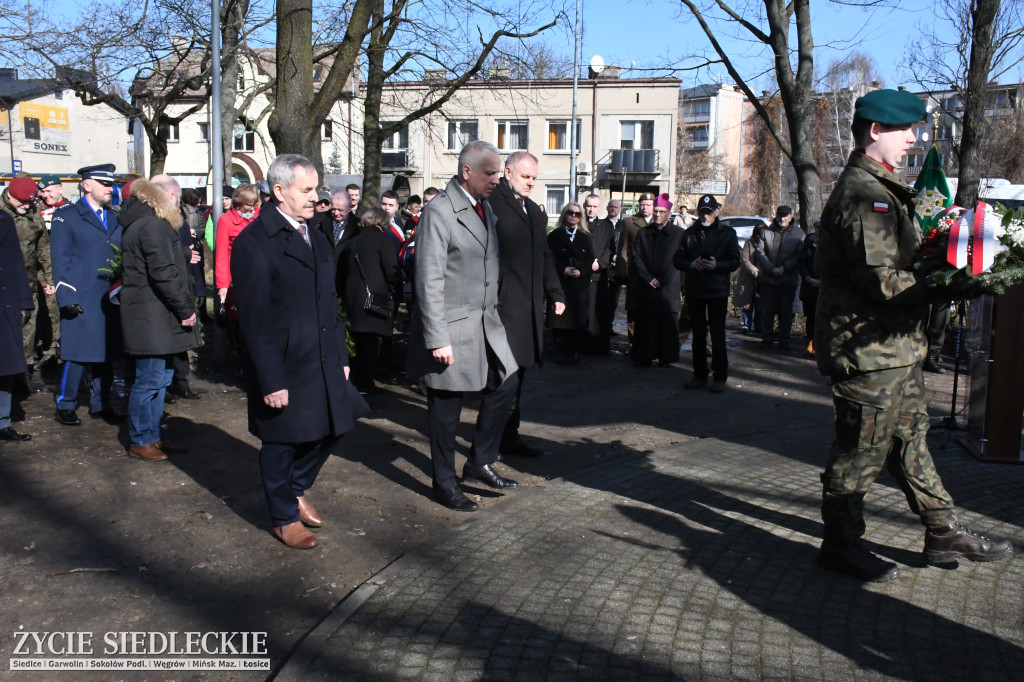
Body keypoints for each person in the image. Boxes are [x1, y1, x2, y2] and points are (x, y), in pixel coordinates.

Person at [815, 88, 1012, 582]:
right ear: (875, 131)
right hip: (867, 352)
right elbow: (883, 281)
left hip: (893, 349)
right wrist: (953, 280)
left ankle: (941, 529)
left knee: (910, 444)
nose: (913, 139)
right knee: (860, 452)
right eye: (905, 130)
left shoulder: (882, 190)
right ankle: (840, 544)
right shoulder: (864, 197)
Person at [231, 153, 367, 550]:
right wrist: (270, 380)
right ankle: (283, 516)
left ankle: (295, 487)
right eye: (306, 190)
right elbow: (254, 322)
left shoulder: (317, 233)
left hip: (322, 355)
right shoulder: (255, 243)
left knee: (340, 422)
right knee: (281, 441)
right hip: (285, 362)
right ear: (278, 191)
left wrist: (341, 357)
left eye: (316, 189)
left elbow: (330, 302)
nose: (316, 197)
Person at [407, 140, 521, 512]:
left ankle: (479, 461)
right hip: (451, 327)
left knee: (507, 382)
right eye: (489, 172)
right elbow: (428, 280)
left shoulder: (484, 206)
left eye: (498, 172)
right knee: (445, 410)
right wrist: (436, 337)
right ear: (466, 172)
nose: (496, 179)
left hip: (485, 322)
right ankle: (444, 482)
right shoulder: (440, 212)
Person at [118, 177, 202, 461]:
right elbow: (163, 273)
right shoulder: (153, 225)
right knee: (150, 379)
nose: (177, 204)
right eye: (176, 198)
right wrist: (185, 310)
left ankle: (151, 435)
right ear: (167, 195)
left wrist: (182, 252)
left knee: (160, 378)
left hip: (153, 314)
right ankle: (141, 438)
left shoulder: (144, 224)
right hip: (152, 316)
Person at [489, 151, 564, 459]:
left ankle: (509, 437)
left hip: (528, 309)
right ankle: (488, 445)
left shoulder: (533, 211)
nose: (531, 183)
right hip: (502, 308)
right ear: (507, 173)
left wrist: (556, 293)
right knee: (499, 381)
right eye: (525, 176)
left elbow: (544, 256)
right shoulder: (491, 204)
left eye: (534, 177)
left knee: (518, 379)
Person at [50, 164, 124, 426]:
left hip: (109, 297)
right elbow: (60, 260)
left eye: (111, 184)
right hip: (81, 295)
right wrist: (66, 298)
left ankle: (101, 403)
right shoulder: (66, 216)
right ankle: (66, 404)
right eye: (104, 184)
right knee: (77, 354)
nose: (110, 188)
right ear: (87, 185)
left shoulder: (115, 217)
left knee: (106, 353)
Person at [673, 193, 741, 390]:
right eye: (702, 212)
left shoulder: (727, 234)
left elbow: (735, 261)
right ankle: (699, 375)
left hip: (717, 290)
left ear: (716, 212)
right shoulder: (689, 233)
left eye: (709, 213)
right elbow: (678, 259)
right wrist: (691, 264)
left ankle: (720, 377)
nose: (705, 216)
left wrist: (717, 265)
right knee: (698, 336)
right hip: (695, 290)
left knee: (718, 336)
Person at [338, 207, 402, 395]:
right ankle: (366, 383)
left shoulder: (352, 242)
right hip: (375, 299)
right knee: (371, 342)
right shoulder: (383, 240)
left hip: (352, 298)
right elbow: (392, 272)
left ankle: (356, 379)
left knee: (356, 341)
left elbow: (342, 274)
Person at [0, 176, 53, 393]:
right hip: (5, 286)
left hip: (27, 283)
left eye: (30, 202)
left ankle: (23, 375)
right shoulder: (3, 216)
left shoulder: (33, 213)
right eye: (22, 202)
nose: (27, 206)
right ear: (9, 196)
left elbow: (43, 249)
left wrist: (48, 279)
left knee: (28, 333)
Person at [630, 193, 685, 367]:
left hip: (668, 285)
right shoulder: (643, 233)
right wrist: (648, 278)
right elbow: (636, 256)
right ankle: (645, 355)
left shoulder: (679, 234)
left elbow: (678, 259)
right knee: (647, 323)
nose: (657, 215)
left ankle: (665, 357)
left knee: (667, 325)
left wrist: (663, 279)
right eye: (655, 211)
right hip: (647, 285)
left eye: (661, 212)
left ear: (669, 214)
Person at [0, 209, 35, 441]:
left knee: (3, 366)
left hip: (4, 302)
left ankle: (2, 422)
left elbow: (14, 262)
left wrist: (23, 302)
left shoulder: (3, 220)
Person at [547, 202, 595, 364]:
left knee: (578, 320)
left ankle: (575, 351)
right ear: (564, 214)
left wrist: (581, 270)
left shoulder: (585, 238)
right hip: (560, 284)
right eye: (570, 213)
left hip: (579, 286)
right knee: (560, 319)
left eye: (577, 214)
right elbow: (549, 258)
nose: (573, 216)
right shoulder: (554, 236)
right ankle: (560, 351)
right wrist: (563, 269)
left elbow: (590, 259)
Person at [756, 205, 804, 351]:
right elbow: (759, 252)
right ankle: (767, 338)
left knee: (786, 313)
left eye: (785, 216)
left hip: (787, 280)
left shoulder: (799, 234)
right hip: (769, 280)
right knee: (767, 312)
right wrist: (771, 268)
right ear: (776, 216)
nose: (782, 218)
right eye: (780, 215)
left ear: (790, 217)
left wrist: (784, 268)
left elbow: (799, 256)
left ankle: (784, 340)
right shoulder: (767, 232)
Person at [214, 184, 260, 329]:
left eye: (254, 204)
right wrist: (223, 285)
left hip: (259, 276)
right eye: (248, 205)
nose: (252, 209)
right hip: (237, 277)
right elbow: (221, 255)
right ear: (239, 203)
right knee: (238, 320)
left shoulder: (261, 216)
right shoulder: (226, 220)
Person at [615, 193, 654, 352]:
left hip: (653, 273)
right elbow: (622, 247)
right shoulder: (629, 222)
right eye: (642, 204)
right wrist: (622, 270)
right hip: (635, 273)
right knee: (633, 310)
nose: (644, 207)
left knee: (651, 310)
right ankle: (633, 345)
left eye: (648, 204)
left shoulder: (659, 221)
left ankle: (650, 344)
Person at [583, 194, 615, 354]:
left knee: (598, 313)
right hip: (581, 277)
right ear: (584, 206)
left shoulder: (606, 226)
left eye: (595, 206)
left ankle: (599, 347)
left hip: (598, 276)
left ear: (599, 208)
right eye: (589, 206)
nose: (591, 209)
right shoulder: (579, 223)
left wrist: (600, 263)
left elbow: (610, 248)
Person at [732, 220, 767, 334]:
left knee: (760, 303)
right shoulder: (748, 243)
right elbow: (744, 259)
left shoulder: (767, 244)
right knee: (747, 303)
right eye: (759, 234)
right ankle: (746, 324)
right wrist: (753, 270)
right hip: (748, 277)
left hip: (762, 277)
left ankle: (759, 325)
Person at [310, 189, 359, 267]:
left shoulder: (358, 226)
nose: (336, 213)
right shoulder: (317, 220)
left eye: (340, 210)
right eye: (333, 209)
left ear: (349, 208)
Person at [798, 223, 821, 357]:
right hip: (809, 287)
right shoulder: (808, 243)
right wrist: (808, 278)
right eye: (816, 229)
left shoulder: (831, 245)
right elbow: (801, 263)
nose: (817, 236)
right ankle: (811, 343)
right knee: (811, 317)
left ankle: (821, 345)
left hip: (826, 287)